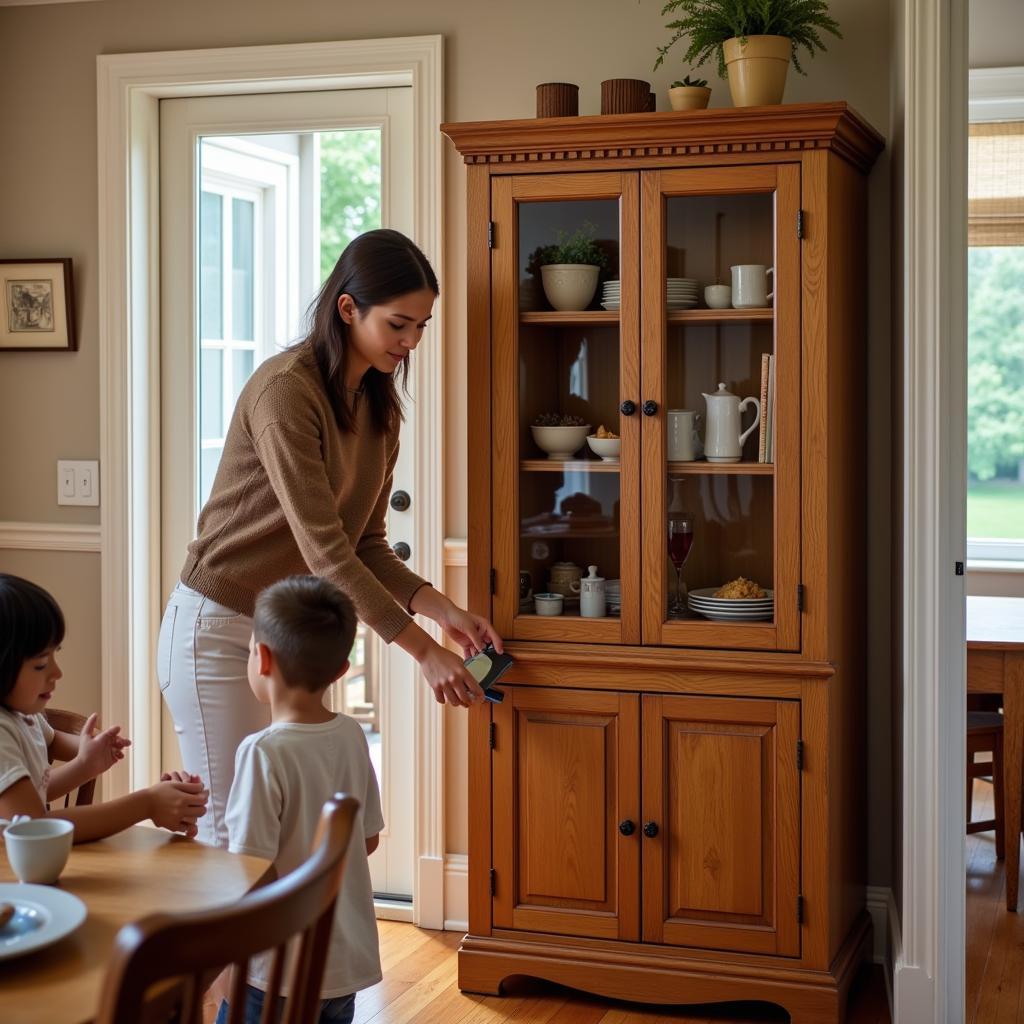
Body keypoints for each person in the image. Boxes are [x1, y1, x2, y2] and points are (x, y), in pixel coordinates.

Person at [159, 228, 502, 847]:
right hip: (218, 625)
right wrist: (424, 652)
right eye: (399, 324)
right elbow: (326, 551)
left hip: (284, 629)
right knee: (228, 832)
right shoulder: (285, 390)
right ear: (348, 309)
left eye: (422, 326)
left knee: (284, 831)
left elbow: (365, 541)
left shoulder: (378, 408)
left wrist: (443, 610)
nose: (411, 341)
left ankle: (288, 950)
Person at [216, 575, 382, 1024]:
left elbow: (248, 873)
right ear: (342, 669)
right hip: (341, 963)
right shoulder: (351, 735)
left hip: (274, 972)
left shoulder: (263, 752)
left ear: (262, 659)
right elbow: (368, 840)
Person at [0, 573, 208, 841]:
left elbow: (41, 770)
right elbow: (35, 827)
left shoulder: (23, 715)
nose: (57, 672)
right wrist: (147, 804)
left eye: (55, 655)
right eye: (41, 664)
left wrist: (88, 758)